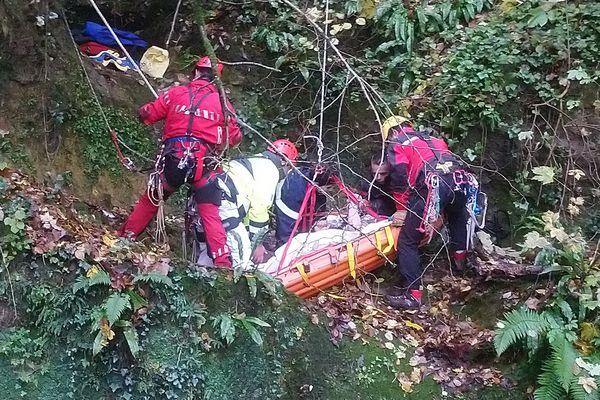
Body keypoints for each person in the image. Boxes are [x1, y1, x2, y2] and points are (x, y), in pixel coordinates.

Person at [118, 56, 242, 268]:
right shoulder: (223, 105)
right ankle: (223, 263)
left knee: (152, 199)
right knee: (210, 214)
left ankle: (125, 238)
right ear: (217, 79)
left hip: (174, 162)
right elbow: (235, 137)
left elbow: (146, 114)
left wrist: (173, 112)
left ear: (195, 73)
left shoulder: (176, 94)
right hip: (204, 166)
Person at [381, 116, 470, 310]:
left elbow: (399, 177)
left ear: (391, 133)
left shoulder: (397, 142)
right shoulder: (433, 139)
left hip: (431, 185)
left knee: (407, 240)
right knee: (457, 215)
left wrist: (402, 210)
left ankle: (413, 295)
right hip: (460, 181)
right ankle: (461, 263)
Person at [195, 139, 299, 268]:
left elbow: (246, 211)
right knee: (241, 259)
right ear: (284, 161)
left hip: (204, 197)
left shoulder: (253, 161)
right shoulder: (269, 170)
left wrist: (248, 234)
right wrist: (257, 243)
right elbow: (259, 210)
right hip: (222, 201)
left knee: (207, 256)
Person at [274, 163, 331, 246]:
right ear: (317, 185)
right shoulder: (296, 191)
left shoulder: (312, 176)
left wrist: (317, 223)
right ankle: (282, 250)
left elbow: (319, 205)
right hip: (285, 202)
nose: (331, 191)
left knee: (320, 195)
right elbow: (289, 219)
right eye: (329, 188)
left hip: (302, 191)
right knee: (286, 231)